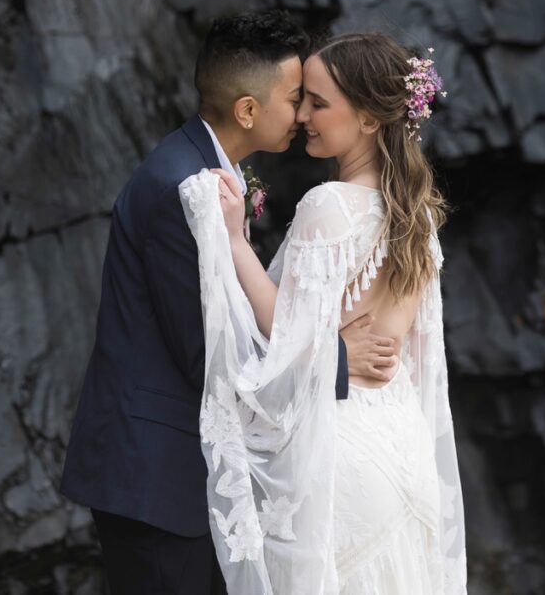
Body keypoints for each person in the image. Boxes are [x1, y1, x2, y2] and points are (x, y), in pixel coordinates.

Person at [59, 12, 400, 595]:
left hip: (177, 472)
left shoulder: (207, 170)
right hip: (157, 478)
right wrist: (335, 357)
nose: (301, 115)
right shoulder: (181, 190)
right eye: (295, 98)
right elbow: (212, 356)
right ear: (247, 110)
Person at [179, 32, 467, 594]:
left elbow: (283, 333)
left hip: (340, 449)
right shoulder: (420, 217)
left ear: (366, 119)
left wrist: (236, 242)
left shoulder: (329, 205)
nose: (303, 115)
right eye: (302, 99)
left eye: (317, 102)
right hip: (404, 449)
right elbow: (410, 354)